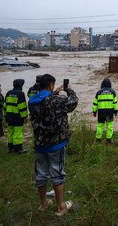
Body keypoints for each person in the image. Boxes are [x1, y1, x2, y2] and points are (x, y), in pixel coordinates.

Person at [29, 74, 78, 216]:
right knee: (57, 174)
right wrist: (69, 90)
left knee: (41, 173)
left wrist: (54, 92)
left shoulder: (32, 100)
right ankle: (61, 207)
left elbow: (46, 102)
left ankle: (44, 203)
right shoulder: (58, 100)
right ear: (51, 85)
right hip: (57, 143)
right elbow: (73, 102)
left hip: (40, 143)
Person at [4, 79, 28, 154]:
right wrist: (25, 116)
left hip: (9, 115)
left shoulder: (8, 93)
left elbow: (5, 105)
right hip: (17, 116)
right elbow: (22, 106)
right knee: (17, 132)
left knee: (10, 131)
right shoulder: (20, 94)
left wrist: (5, 115)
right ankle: (18, 148)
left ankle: (10, 147)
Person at [92, 78, 118, 144]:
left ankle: (98, 139)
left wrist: (94, 112)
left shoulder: (99, 92)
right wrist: (116, 111)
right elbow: (115, 103)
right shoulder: (112, 92)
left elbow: (95, 103)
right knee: (109, 125)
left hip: (101, 112)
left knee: (100, 126)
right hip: (110, 112)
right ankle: (108, 139)